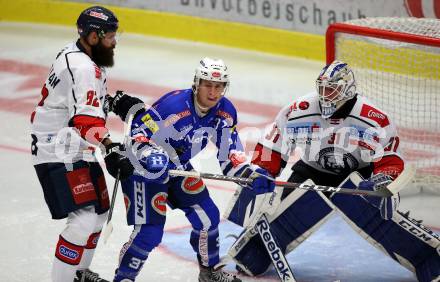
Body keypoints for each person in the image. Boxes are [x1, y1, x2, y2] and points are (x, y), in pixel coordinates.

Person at [225, 61, 440, 282]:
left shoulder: (372, 117)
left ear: (347, 89)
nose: (325, 95)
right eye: (322, 88)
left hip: (358, 176)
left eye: (332, 89)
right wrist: (264, 171)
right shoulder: (300, 109)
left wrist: (381, 181)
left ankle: (428, 260)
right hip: (311, 170)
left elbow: (390, 157)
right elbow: (274, 142)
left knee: (380, 216)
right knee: (279, 215)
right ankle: (253, 254)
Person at [104, 57, 275, 282]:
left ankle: (209, 273)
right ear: (196, 83)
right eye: (208, 85)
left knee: (208, 217)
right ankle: (123, 279)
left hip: (178, 168)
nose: (213, 92)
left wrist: (249, 174)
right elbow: (138, 136)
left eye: (219, 86)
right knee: (149, 233)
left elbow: (229, 156)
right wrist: (150, 155)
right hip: (143, 170)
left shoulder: (225, 112)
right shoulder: (172, 106)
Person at [31, 6, 133, 282]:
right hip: (56, 148)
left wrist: (112, 102)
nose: (114, 42)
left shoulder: (81, 56)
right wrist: (110, 147)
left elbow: (79, 103)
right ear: (92, 36)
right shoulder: (82, 66)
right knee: (84, 220)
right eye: (110, 36)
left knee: (99, 216)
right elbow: (85, 121)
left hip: (76, 146)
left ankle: (78, 274)